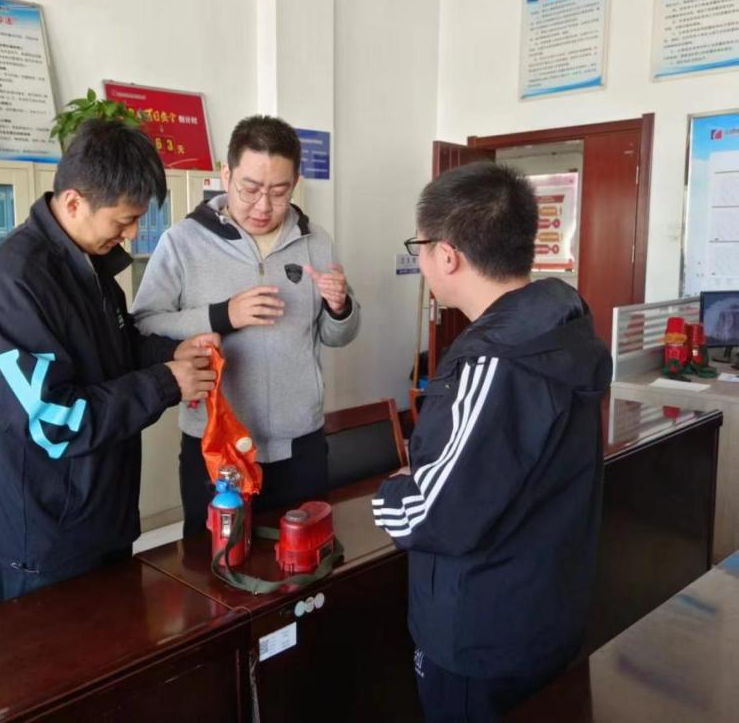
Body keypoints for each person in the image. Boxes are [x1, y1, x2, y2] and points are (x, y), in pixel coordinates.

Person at [372, 162, 611, 722]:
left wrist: (390, 494)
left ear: (447, 255)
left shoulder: (494, 360)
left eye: (420, 247)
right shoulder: (561, 327)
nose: (422, 261)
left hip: (481, 633)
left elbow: (435, 515)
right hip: (547, 608)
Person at [0, 119, 219, 602]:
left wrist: (171, 353)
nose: (131, 234)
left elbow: (111, 354)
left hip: (103, 518)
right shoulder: (14, 283)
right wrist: (166, 382)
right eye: (123, 220)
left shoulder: (89, 265)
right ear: (74, 203)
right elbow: (52, 420)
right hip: (49, 540)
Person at [132, 114, 360, 536]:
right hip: (217, 446)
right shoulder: (182, 242)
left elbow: (336, 336)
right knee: (216, 562)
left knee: (302, 561)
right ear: (226, 174)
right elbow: (144, 326)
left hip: (300, 444)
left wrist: (340, 307)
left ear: (295, 183)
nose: (263, 206)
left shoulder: (315, 241)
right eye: (250, 188)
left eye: (279, 191)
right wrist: (224, 315)